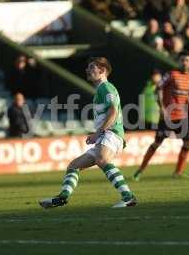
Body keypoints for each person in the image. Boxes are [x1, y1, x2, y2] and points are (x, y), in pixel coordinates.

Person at [39, 57, 137, 209]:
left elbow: (113, 111)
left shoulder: (106, 88)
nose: (87, 70)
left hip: (111, 133)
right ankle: (63, 197)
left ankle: (128, 197)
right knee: (74, 166)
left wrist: (98, 132)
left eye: (92, 67)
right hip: (106, 135)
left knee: (102, 160)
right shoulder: (101, 90)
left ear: (102, 70)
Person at [134, 53, 189, 180]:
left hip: (182, 116)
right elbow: (159, 88)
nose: (185, 62)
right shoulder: (171, 74)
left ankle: (178, 172)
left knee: (187, 142)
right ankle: (140, 170)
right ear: (179, 61)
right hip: (168, 116)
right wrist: (162, 107)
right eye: (183, 60)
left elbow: (186, 94)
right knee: (157, 143)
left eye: (187, 60)